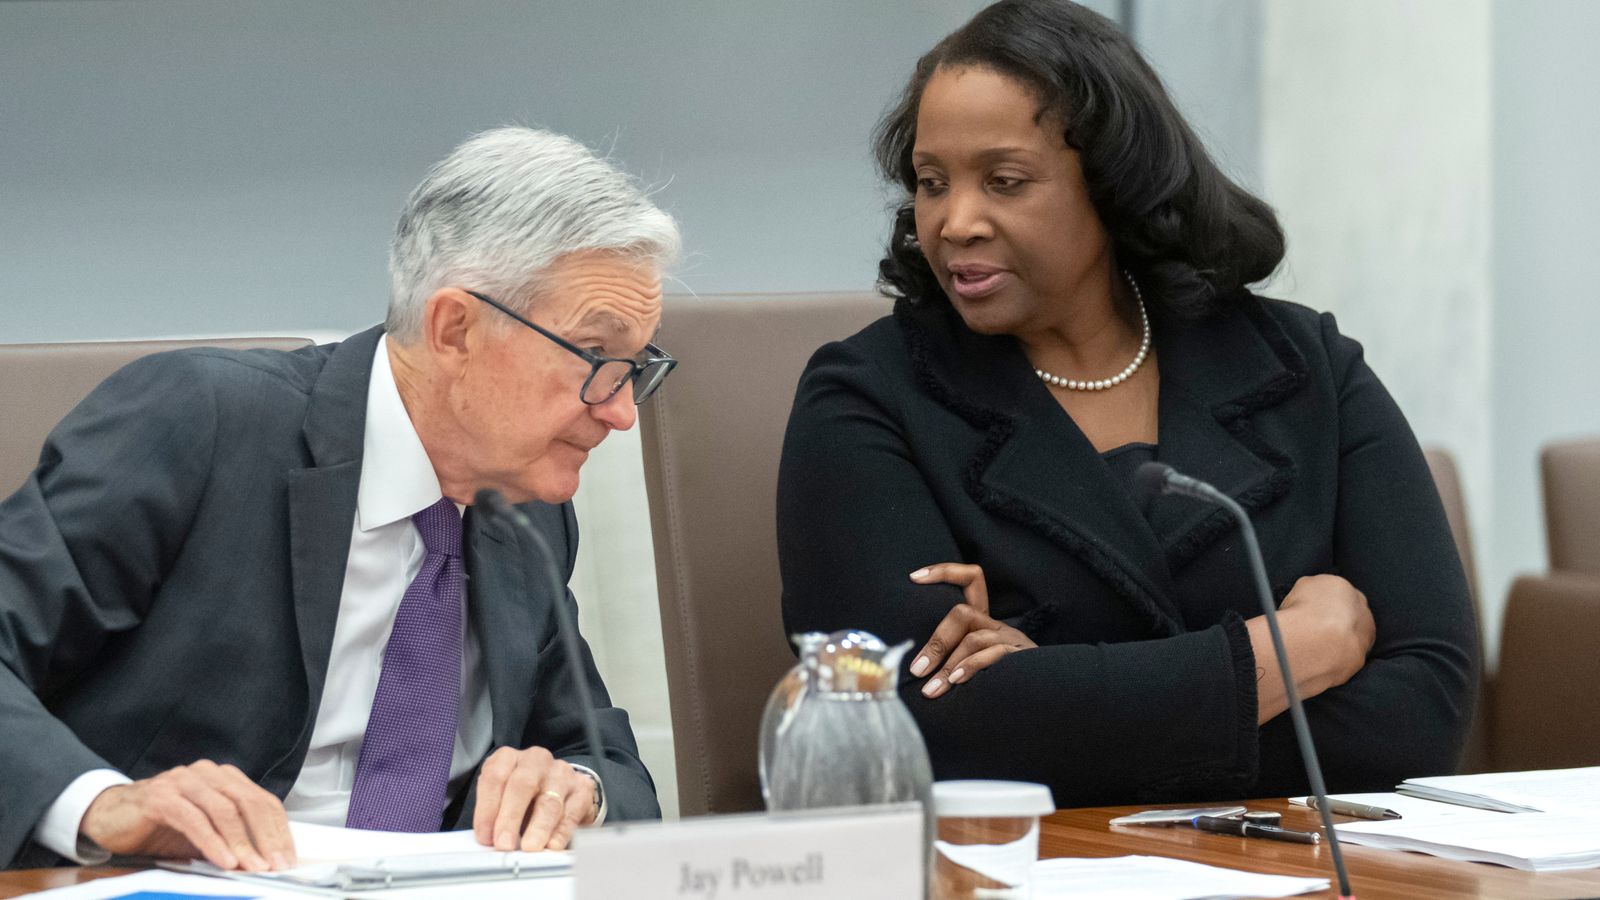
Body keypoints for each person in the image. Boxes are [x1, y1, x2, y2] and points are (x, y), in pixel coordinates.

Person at [777, 0, 1476, 807]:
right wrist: (1288, 653)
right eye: (932, 184)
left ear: (1113, 184)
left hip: (1308, 868)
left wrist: (1054, 691)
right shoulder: (867, 396)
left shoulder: (1303, 365)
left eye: (1005, 181)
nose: (955, 221)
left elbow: (1426, 709)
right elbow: (907, 731)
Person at [0, 127, 680, 870]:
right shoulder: (203, 423)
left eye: (635, 366)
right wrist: (100, 804)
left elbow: (605, 755)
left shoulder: (528, 511)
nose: (620, 411)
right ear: (455, 328)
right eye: (597, 358)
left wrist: (575, 787)